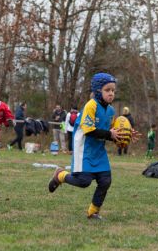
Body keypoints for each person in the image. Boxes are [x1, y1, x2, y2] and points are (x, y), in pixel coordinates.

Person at [48, 73, 131, 221]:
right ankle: (60, 175)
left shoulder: (111, 111)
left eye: (113, 90)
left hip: (99, 150)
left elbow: (111, 132)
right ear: (98, 90)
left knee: (105, 181)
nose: (111, 93)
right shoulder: (91, 105)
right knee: (83, 181)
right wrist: (109, 135)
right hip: (84, 148)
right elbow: (89, 130)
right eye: (108, 90)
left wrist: (123, 135)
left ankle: (93, 212)